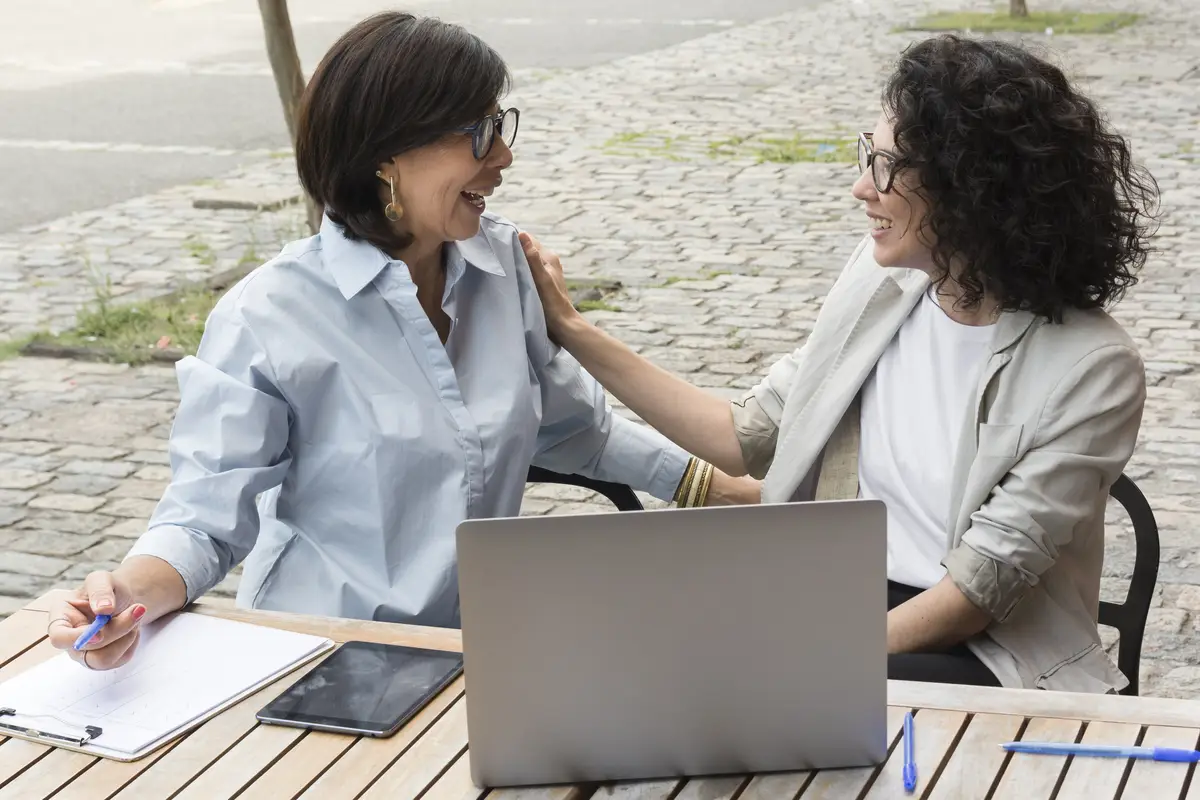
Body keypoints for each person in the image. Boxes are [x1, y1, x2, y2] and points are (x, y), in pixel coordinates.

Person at [46, 12, 758, 671]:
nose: (504, 156)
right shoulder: (268, 316)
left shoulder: (502, 267)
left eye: (501, 125)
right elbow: (202, 523)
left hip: (477, 650)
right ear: (388, 155)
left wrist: (728, 488)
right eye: (480, 133)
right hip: (328, 656)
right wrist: (121, 603)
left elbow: (574, 429)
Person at [521, 35, 1159, 691]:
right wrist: (572, 329)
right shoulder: (884, 281)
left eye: (887, 167)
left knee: (754, 693)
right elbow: (744, 437)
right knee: (628, 653)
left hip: (987, 649)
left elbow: (977, 593)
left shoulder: (1092, 367)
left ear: (973, 187)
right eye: (868, 155)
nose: (861, 187)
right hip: (837, 595)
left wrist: (817, 648)